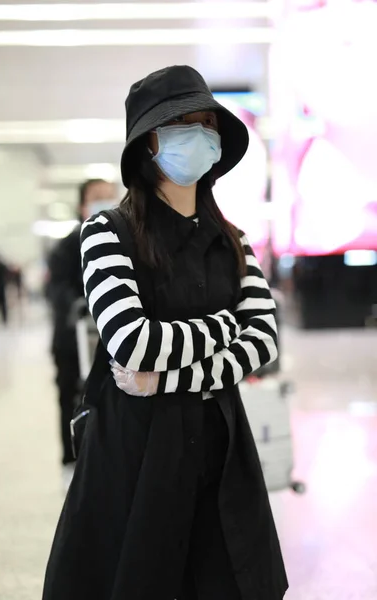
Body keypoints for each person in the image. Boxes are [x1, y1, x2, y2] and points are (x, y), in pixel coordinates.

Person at [43, 65, 288, 600]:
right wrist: (226, 326)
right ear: (147, 144)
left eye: (207, 124)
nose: (198, 135)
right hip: (136, 456)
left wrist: (166, 380)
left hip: (221, 452)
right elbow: (133, 342)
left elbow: (265, 339)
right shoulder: (107, 234)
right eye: (181, 124)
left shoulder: (234, 240)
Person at [47, 178, 116, 488]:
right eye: (97, 198)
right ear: (82, 206)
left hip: (111, 339)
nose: (105, 202)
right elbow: (56, 287)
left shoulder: (122, 240)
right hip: (72, 339)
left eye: (109, 197)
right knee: (70, 397)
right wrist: (75, 304)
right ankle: (69, 458)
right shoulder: (67, 246)